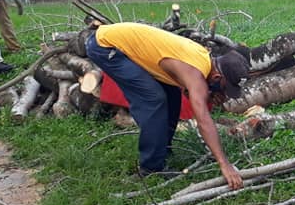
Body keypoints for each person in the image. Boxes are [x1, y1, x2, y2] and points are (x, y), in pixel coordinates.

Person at [85, 23, 249, 188]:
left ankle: (161, 150)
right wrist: (224, 163)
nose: (224, 93)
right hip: (106, 46)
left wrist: (205, 93)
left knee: (172, 95)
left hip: (116, 41)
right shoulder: (195, 74)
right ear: (217, 77)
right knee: (154, 100)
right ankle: (151, 168)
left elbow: (175, 71)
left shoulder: (203, 59)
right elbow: (203, 120)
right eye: (224, 88)